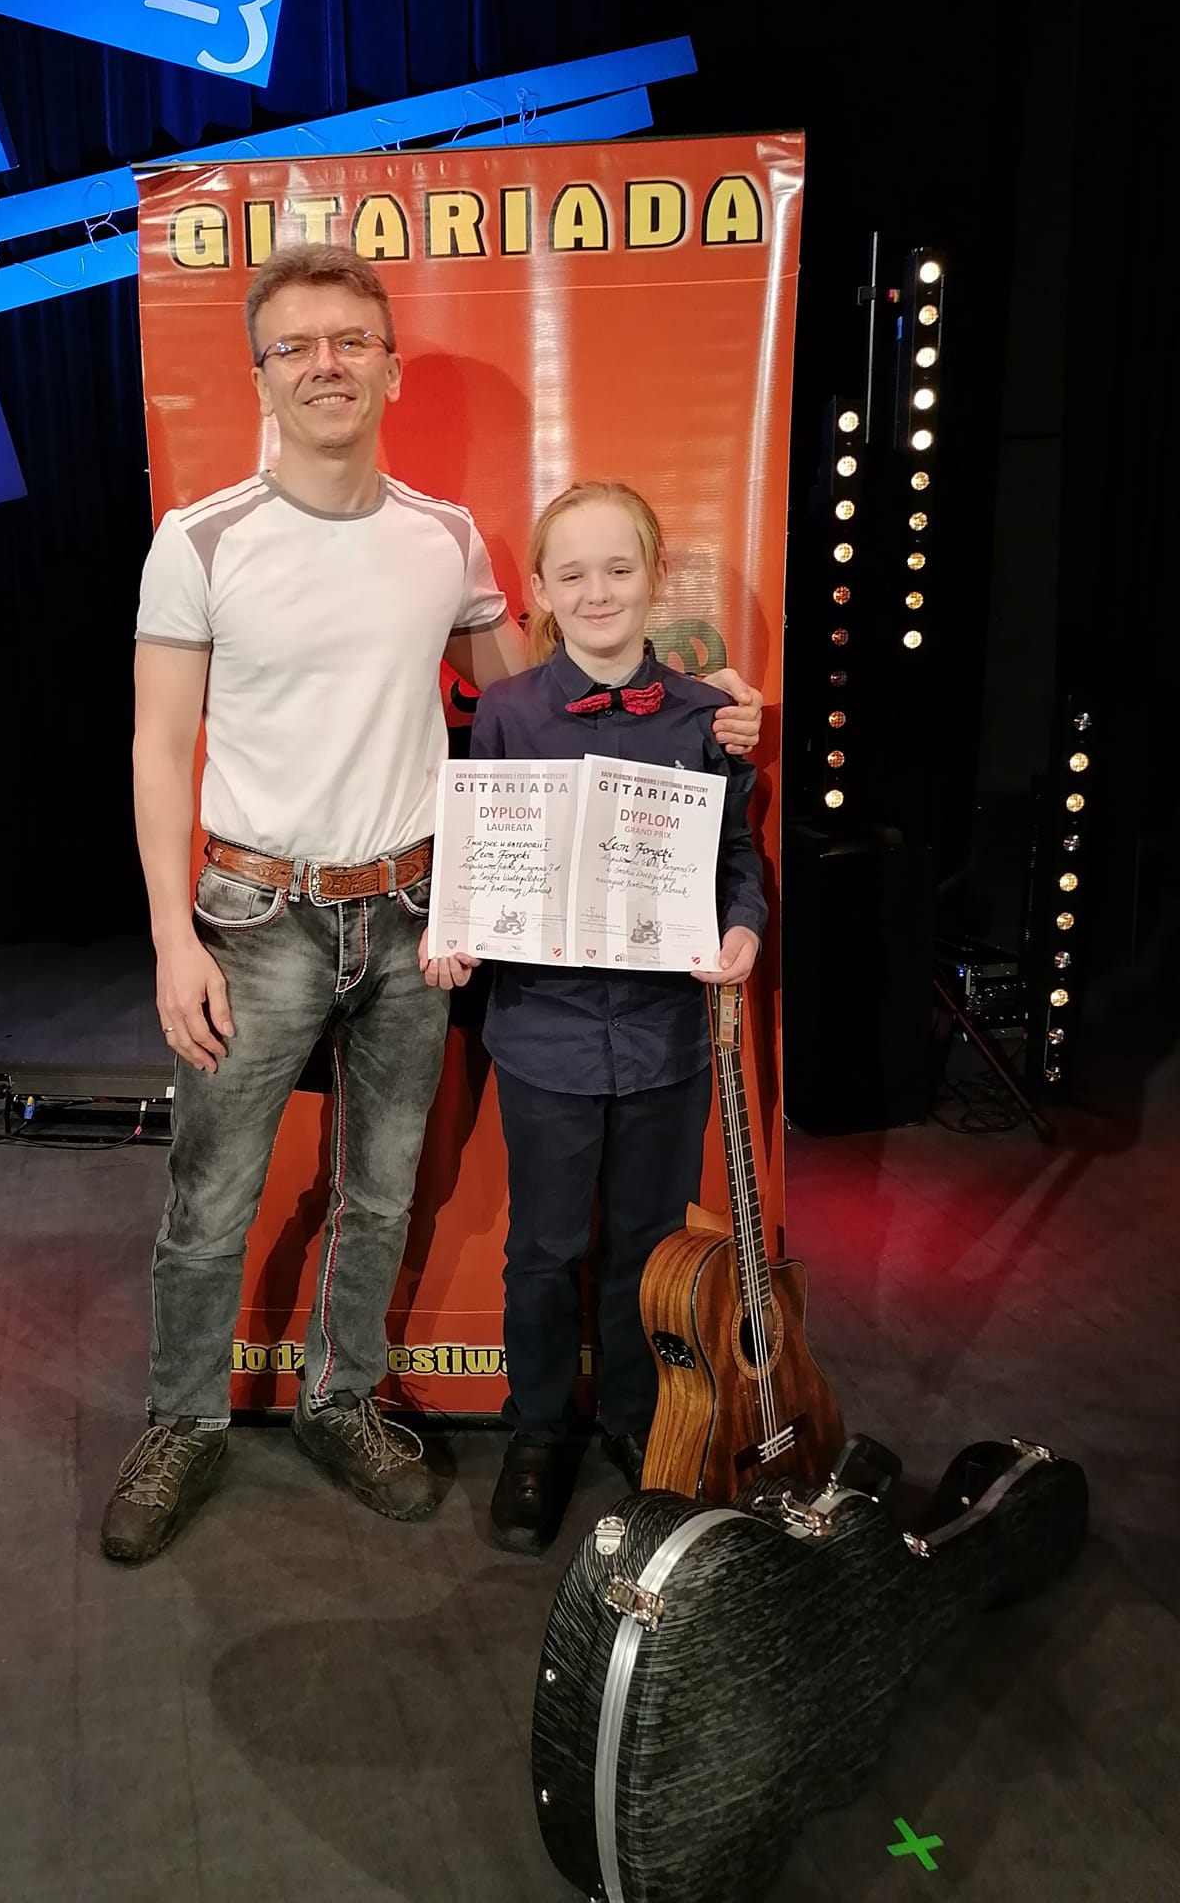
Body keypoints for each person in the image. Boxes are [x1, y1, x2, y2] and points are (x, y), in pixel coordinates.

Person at [103, 246, 762, 1566]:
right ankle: (182, 1420)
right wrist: (174, 935)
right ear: (261, 377)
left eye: (351, 341)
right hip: (255, 912)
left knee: (382, 1190)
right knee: (211, 1196)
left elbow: (543, 716)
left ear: (391, 368)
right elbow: (157, 745)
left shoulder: (444, 538)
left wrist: (710, 706)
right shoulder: (201, 539)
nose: (327, 365)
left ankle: (341, 1399)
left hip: (416, 916)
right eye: (297, 346)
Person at [457, 479, 767, 1555]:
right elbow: (476, 858)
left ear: (654, 576)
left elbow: (736, 859)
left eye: (620, 569)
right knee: (543, 1247)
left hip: (665, 1033)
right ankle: (539, 1429)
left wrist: (744, 928)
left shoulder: (706, 715)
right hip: (543, 1033)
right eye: (574, 573)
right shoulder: (506, 713)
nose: (599, 592)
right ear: (541, 591)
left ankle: (639, 1420)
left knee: (647, 1245)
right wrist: (457, 929)